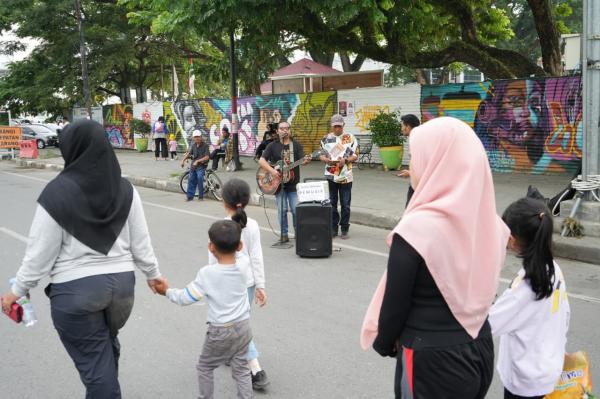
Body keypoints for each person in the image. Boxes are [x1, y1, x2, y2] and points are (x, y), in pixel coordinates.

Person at [0, 120, 165, 399]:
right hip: (123, 290)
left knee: (98, 372)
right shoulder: (126, 189)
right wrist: (153, 274)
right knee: (103, 350)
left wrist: (16, 292)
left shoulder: (57, 193)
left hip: (77, 294)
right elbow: (141, 242)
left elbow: (39, 254)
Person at [360, 117, 510, 399]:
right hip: (480, 346)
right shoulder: (489, 222)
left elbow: (395, 303)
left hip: (431, 358)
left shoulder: (417, 229)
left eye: (417, 156)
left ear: (438, 161)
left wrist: (383, 343)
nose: (413, 164)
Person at [153, 220, 253, 399]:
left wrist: (166, 291)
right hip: (243, 326)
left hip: (220, 330)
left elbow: (185, 298)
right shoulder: (244, 263)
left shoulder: (207, 274)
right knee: (242, 368)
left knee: (205, 366)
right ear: (240, 246)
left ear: (211, 247)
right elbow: (239, 254)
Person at [489, 197, 570, 399]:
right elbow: (565, 315)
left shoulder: (525, 289)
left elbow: (488, 324)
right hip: (548, 370)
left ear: (512, 240)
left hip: (524, 381)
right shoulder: (553, 270)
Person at [212, 178, 270, 390]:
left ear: (223, 200)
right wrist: (261, 286)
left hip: (228, 285)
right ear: (245, 201)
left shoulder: (219, 227)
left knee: (236, 326)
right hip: (248, 283)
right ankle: (235, 351)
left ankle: (256, 369)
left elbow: (213, 261)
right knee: (238, 324)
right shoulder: (252, 225)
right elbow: (257, 257)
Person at [259, 120, 310, 243]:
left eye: (287, 128)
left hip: (293, 185)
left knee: (296, 210)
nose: (285, 130)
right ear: (277, 131)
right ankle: (284, 234)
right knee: (282, 210)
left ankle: (299, 233)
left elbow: (303, 160)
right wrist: (272, 171)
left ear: (290, 130)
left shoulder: (296, 145)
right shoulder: (272, 146)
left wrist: (305, 161)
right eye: (282, 128)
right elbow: (261, 161)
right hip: (278, 186)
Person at [319, 114, 358, 239]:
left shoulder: (350, 138)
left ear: (343, 125)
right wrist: (326, 160)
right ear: (331, 126)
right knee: (332, 203)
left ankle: (345, 228)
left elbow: (356, 155)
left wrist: (345, 161)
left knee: (345, 204)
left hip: (346, 175)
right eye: (335, 126)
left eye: (339, 126)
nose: (337, 129)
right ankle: (333, 228)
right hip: (331, 174)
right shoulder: (325, 139)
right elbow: (321, 155)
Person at [395, 114, 420, 206]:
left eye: (402, 126)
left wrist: (410, 173)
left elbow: (424, 165)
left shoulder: (417, 140)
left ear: (408, 126)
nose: (401, 129)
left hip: (419, 186)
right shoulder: (416, 138)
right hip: (416, 183)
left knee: (410, 212)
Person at [181, 130, 210, 201]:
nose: (197, 138)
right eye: (195, 137)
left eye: (198, 137)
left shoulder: (205, 146)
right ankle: (189, 197)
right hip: (194, 166)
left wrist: (198, 161)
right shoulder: (194, 145)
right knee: (191, 179)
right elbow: (189, 154)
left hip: (201, 166)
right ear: (193, 138)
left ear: (201, 137)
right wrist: (183, 160)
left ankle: (201, 196)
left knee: (200, 178)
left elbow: (207, 157)